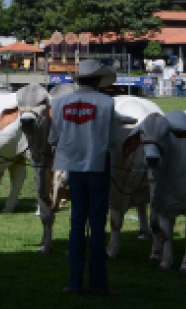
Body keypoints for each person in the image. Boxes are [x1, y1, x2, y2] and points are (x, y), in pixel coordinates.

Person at [49, 60, 133, 296]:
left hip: (73, 168)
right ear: (97, 80)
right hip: (99, 167)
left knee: (77, 223)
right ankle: (98, 283)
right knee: (97, 226)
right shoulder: (107, 102)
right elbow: (113, 141)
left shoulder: (59, 102)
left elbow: (52, 139)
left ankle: (74, 282)